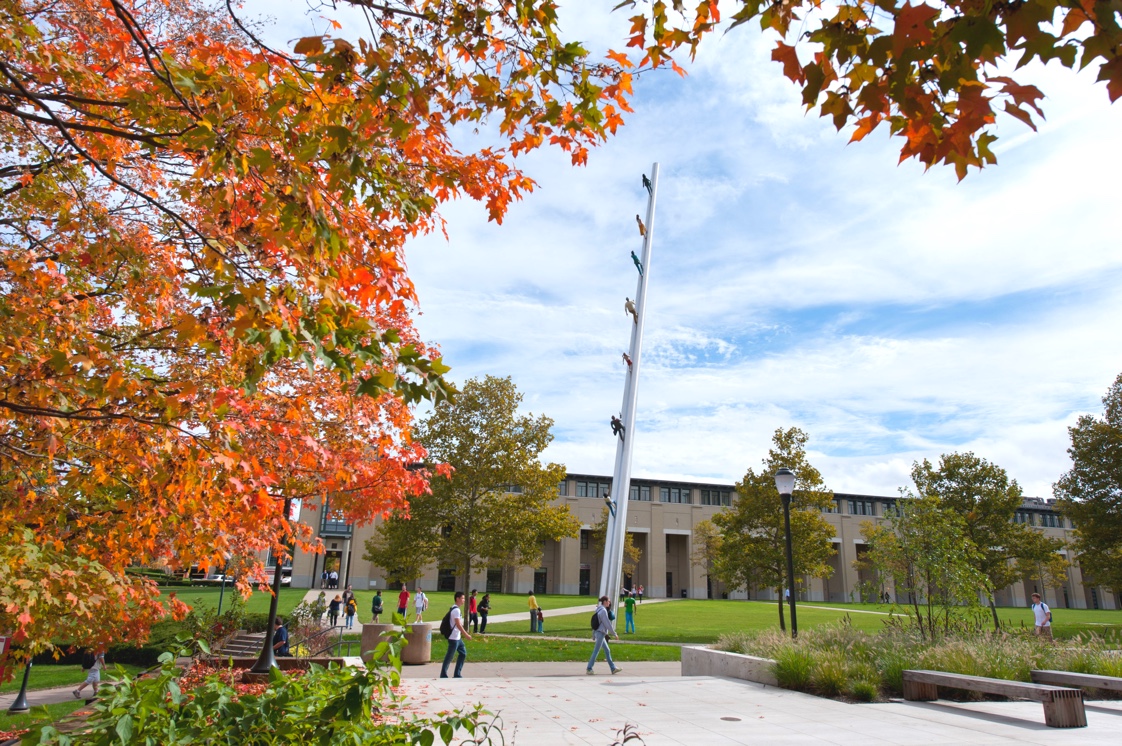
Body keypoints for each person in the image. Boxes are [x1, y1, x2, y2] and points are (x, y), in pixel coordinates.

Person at [440, 591, 472, 679]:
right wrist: (466, 634)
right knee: (449, 656)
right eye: (462, 598)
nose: (464, 600)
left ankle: (457, 674)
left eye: (464, 598)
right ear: (457, 599)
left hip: (457, 638)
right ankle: (443, 674)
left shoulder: (454, 608)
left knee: (463, 653)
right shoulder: (456, 610)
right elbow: (458, 624)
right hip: (453, 638)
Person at [587, 596, 622, 675]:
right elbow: (607, 624)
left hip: (599, 633)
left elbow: (596, 623)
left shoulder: (599, 609)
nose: (609, 603)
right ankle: (589, 668)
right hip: (600, 633)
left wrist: (593, 634)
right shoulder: (603, 611)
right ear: (605, 601)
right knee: (596, 651)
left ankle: (613, 668)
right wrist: (614, 634)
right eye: (608, 601)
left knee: (607, 650)